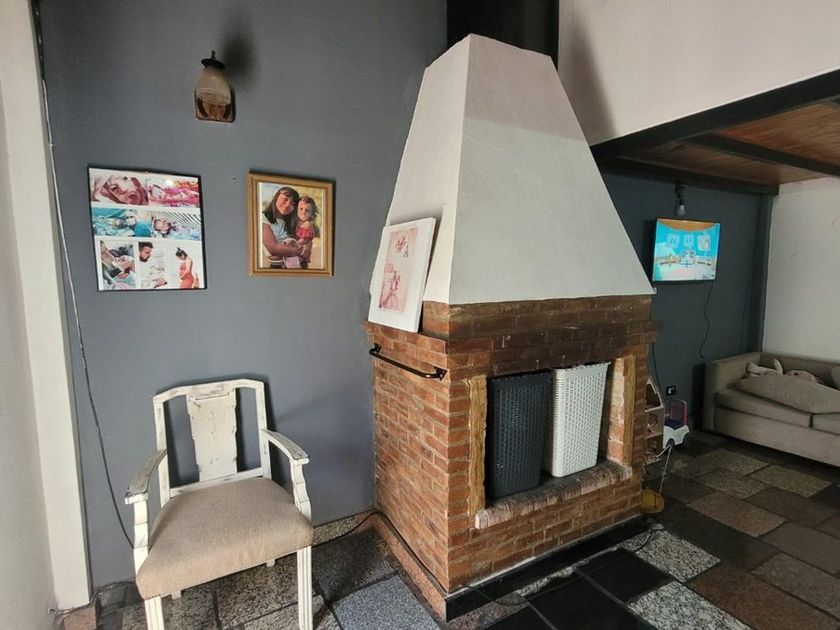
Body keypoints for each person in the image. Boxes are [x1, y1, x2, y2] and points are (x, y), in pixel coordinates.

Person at [261, 186, 303, 267]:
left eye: (292, 204)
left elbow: (301, 242)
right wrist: (299, 251)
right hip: (275, 267)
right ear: (277, 197)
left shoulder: (292, 222)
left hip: (292, 265)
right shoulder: (263, 219)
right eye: (285, 199)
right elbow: (273, 249)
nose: (287, 205)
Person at [295, 195, 320, 268]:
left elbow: (306, 239)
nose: (303, 212)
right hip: (296, 250)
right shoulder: (296, 222)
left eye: (307, 210)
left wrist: (296, 243)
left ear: (312, 213)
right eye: (301, 209)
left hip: (303, 251)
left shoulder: (308, 225)